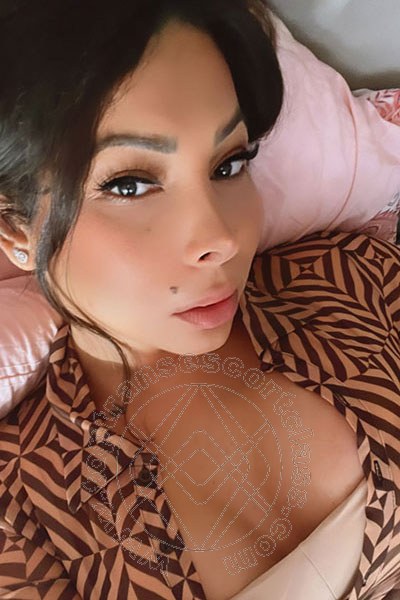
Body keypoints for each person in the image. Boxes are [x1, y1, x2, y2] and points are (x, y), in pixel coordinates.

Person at [0, 1, 398, 599]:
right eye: (129, 184)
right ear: (18, 230)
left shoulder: (352, 279)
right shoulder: (20, 509)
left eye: (229, 164)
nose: (220, 237)